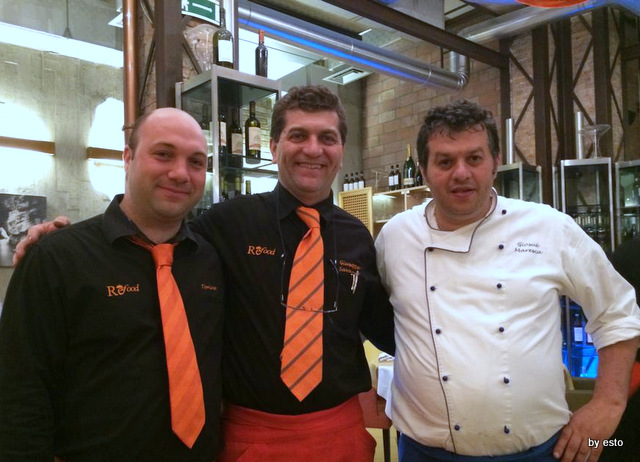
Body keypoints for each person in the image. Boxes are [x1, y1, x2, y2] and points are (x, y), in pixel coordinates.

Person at [12, 86, 395, 462]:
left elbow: (386, 325)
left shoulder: (358, 237)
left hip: (338, 433)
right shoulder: (227, 223)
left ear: (341, 150)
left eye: (327, 138)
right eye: (298, 136)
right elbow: (150, 233)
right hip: (251, 436)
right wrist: (62, 242)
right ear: (273, 147)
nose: (313, 149)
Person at [374, 99, 640, 462]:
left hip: (539, 452)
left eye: (474, 158)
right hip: (425, 452)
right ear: (423, 169)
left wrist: (609, 403)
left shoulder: (548, 226)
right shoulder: (395, 236)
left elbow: (617, 311)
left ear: (495, 162)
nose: (461, 173)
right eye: (445, 161)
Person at [0, 108, 225, 461]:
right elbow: (19, 390)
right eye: (163, 154)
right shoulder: (57, 258)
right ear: (128, 157)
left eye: (195, 162)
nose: (180, 173)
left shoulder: (211, 260)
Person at [600, 236, 640, 462]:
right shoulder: (632, 253)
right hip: (632, 369)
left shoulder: (630, 251)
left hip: (631, 367)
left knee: (616, 444)